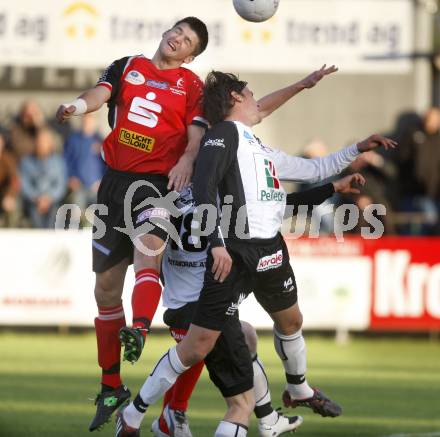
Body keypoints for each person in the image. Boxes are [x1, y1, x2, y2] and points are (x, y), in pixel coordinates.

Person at [114, 70, 396, 437]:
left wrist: (354, 152)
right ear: (235, 100)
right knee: (225, 382)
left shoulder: (255, 146)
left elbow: (307, 173)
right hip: (232, 256)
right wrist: (216, 243)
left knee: (282, 324)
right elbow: (202, 191)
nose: (256, 101)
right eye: (249, 95)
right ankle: (142, 414)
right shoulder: (223, 137)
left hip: (266, 250)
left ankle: (291, 395)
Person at [55, 17, 210, 432]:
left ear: (191, 54)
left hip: (158, 185)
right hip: (113, 185)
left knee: (149, 255)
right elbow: (99, 93)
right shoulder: (127, 65)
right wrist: (75, 106)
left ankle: (139, 328)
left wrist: (186, 161)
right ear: (167, 33)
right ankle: (111, 385)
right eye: (178, 30)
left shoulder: (192, 85)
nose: (178, 38)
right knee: (104, 289)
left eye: (188, 40)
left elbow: (196, 135)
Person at [148, 174, 365, 437]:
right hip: (203, 306)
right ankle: (145, 414)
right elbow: (282, 206)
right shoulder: (219, 196)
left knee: (243, 336)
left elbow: (149, 254)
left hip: (185, 304)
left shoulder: (168, 197)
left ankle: (264, 418)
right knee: (240, 405)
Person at [63, 113, 106, 225]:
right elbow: (66, 162)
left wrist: (102, 182)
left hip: (96, 187)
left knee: (102, 211)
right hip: (79, 186)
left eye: (90, 120)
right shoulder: (73, 140)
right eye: (85, 120)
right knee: (76, 209)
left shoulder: (101, 141)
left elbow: (107, 165)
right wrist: (71, 178)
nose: (87, 122)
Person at [20, 127, 67, 229]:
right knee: (34, 214)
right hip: (33, 201)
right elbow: (24, 184)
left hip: (52, 201)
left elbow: (60, 185)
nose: (41, 144)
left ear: (50, 144)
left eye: (44, 142)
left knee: (54, 213)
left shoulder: (58, 162)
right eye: (39, 141)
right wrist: (37, 198)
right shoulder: (26, 162)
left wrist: (48, 198)